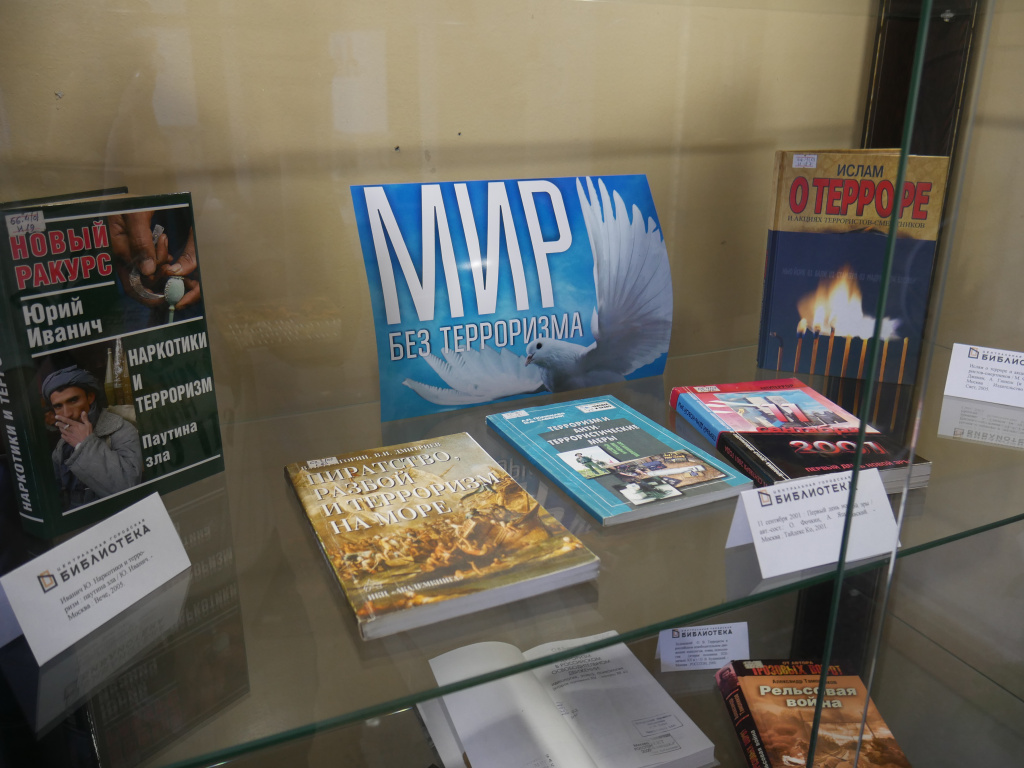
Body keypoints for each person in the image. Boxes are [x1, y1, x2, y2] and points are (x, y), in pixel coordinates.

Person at [43, 366, 143, 511]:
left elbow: (127, 488)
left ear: (90, 397)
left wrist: (84, 444)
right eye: (58, 406)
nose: (67, 413)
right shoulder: (62, 446)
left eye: (73, 400)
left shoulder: (120, 431)